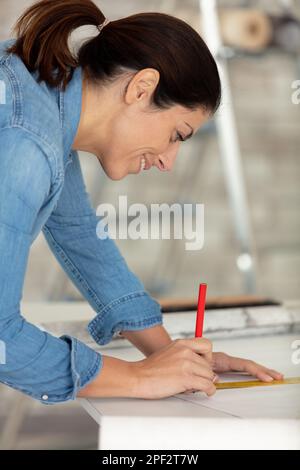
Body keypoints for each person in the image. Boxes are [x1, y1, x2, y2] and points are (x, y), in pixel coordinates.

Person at [0, 0, 283, 405]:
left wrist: (170, 357)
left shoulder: (41, 93)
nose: (169, 162)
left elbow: (80, 233)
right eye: (176, 135)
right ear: (141, 88)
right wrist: (137, 379)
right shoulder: (24, 142)